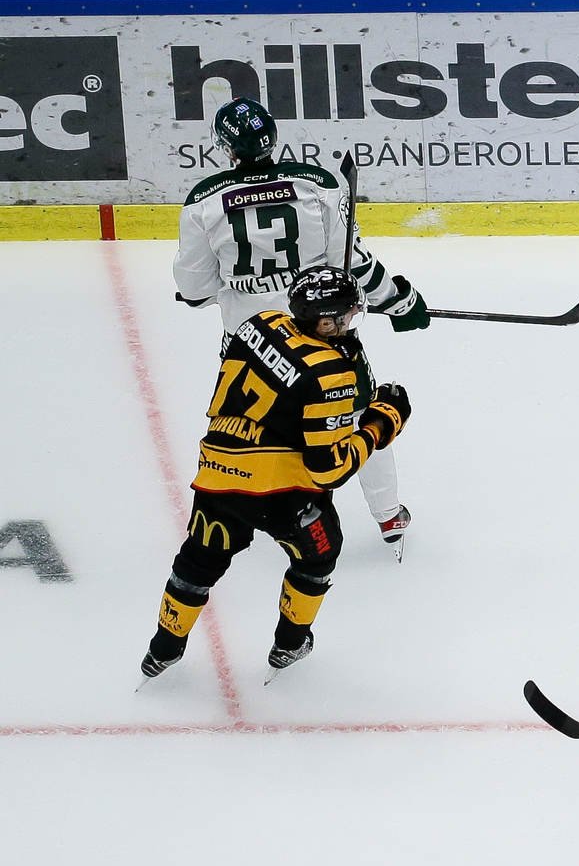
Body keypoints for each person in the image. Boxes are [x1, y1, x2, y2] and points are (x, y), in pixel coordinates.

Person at [172, 97, 429, 558]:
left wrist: (238, 287)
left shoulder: (203, 202)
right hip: (323, 334)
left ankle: (256, 513)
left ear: (224, 146)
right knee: (357, 415)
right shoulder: (319, 184)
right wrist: (401, 299)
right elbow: (354, 267)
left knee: (251, 427)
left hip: (249, 342)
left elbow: (192, 289)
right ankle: (389, 515)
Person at [138, 267, 412, 684]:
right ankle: (289, 643)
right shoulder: (327, 372)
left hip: (216, 471)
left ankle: (163, 648)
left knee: (199, 557)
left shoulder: (259, 323)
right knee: (319, 555)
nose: (350, 322)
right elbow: (330, 469)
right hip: (280, 493)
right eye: (345, 316)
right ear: (325, 321)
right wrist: (380, 423)